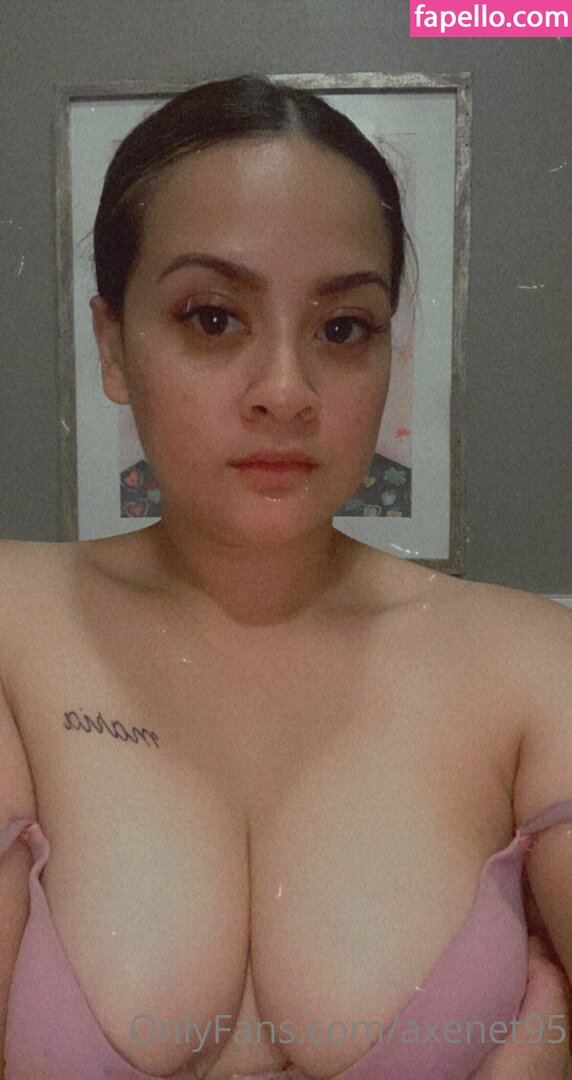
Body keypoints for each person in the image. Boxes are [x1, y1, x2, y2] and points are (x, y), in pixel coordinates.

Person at [0, 74, 571, 1080]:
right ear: (113, 345)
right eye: (212, 318)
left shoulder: (534, 665)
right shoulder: (16, 627)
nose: (285, 391)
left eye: (342, 328)